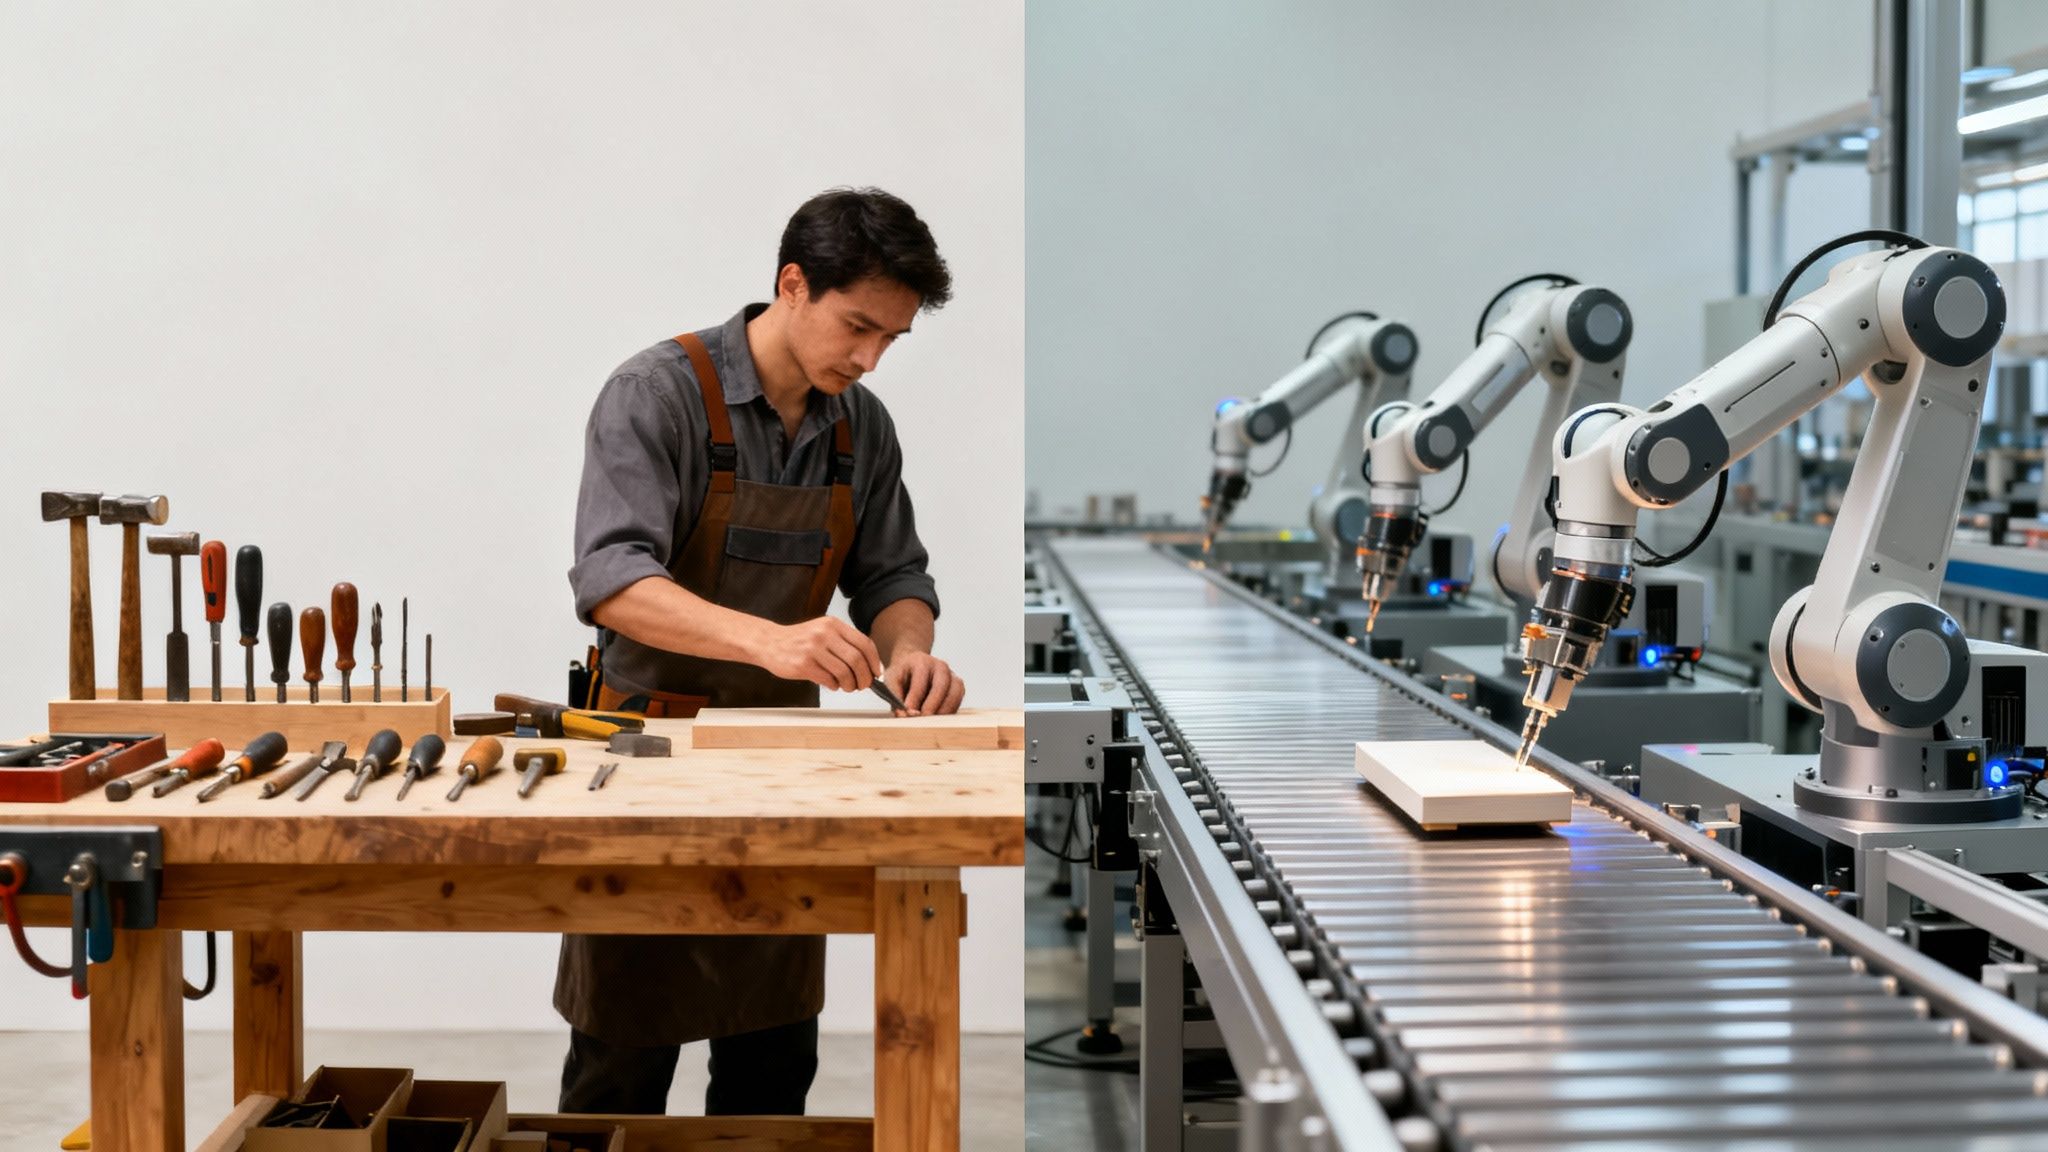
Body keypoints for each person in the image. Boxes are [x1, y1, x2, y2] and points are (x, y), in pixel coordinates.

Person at [556, 186, 966, 1114]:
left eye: (891, 341)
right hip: (645, 764)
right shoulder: (653, 394)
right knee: (621, 1064)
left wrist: (910, 653)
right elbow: (611, 579)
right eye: (858, 327)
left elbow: (895, 574)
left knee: (773, 1065)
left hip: (786, 775)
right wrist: (772, 641)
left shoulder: (861, 427)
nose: (868, 359)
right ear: (791, 285)